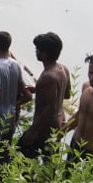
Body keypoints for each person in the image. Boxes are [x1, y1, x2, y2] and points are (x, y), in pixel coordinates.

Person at [0, 31, 31, 174]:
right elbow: (27, 95)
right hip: (10, 118)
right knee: (3, 156)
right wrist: (15, 105)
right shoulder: (15, 65)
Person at [20, 32, 71, 160]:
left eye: (38, 49)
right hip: (58, 124)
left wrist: (33, 131)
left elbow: (50, 108)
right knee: (49, 162)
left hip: (44, 129)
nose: (36, 52)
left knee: (21, 155)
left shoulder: (48, 76)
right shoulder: (63, 69)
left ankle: (31, 181)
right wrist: (39, 90)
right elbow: (66, 94)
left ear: (44, 53)